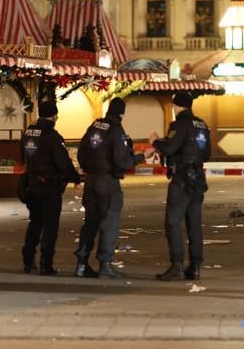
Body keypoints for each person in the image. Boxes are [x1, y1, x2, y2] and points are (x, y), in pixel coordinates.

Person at [75, 97, 145, 279]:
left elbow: (81, 152)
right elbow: (122, 161)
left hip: (90, 180)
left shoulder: (94, 126)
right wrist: (139, 158)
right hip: (107, 181)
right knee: (109, 222)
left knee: (90, 222)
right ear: (122, 113)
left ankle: (81, 264)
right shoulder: (116, 130)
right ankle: (105, 264)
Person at [148, 92, 211, 281]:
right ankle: (195, 266)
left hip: (182, 178)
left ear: (177, 106)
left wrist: (156, 142)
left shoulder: (179, 124)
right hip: (198, 179)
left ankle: (177, 265)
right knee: (194, 224)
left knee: (173, 222)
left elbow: (169, 148)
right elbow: (207, 154)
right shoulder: (202, 125)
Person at [20, 100, 81, 276]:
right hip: (50, 187)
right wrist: (75, 178)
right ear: (54, 116)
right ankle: (46, 264)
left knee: (35, 224)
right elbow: (63, 162)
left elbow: (23, 157)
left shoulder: (28, 134)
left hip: (32, 186)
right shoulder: (52, 136)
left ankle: (27, 260)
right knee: (50, 227)